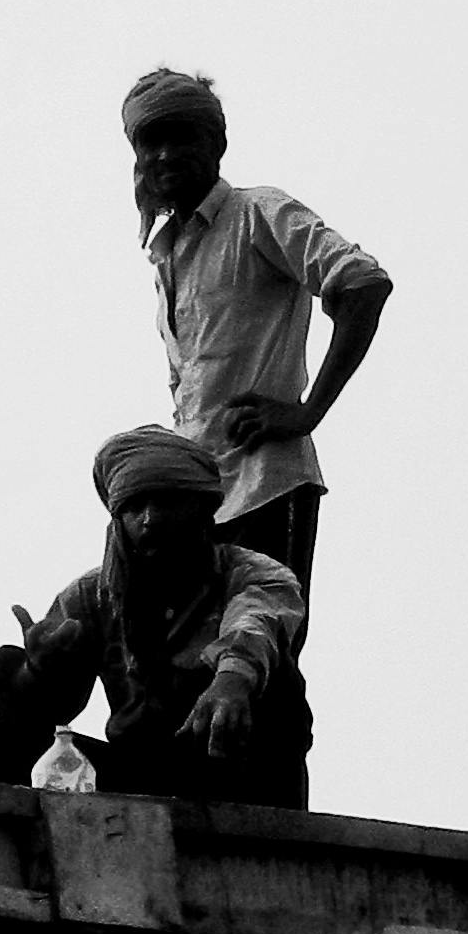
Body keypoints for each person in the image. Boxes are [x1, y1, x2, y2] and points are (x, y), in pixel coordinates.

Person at [0, 424, 312, 809]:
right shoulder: (92, 595)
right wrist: (35, 671)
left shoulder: (253, 573)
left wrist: (232, 681)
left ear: (205, 509)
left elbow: (255, 623)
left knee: (275, 682)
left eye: (165, 502)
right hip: (139, 777)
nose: (149, 520)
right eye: (135, 508)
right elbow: (51, 705)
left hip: (240, 773)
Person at [123, 67, 387, 599]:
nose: (166, 155)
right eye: (152, 142)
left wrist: (307, 410)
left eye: (182, 137)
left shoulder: (255, 213)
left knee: (264, 660)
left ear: (216, 144)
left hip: (267, 485)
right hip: (198, 505)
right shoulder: (168, 254)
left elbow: (361, 284)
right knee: (198, 668)